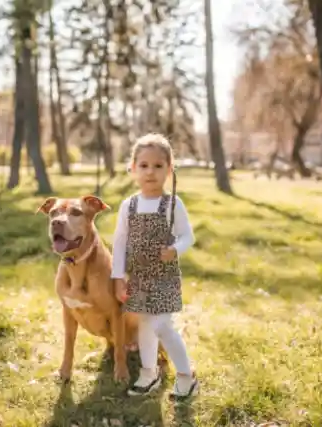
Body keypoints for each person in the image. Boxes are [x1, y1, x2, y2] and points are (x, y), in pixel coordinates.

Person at [111, 133, 199, 400]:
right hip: (138, 277)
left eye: (158, 166)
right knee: (145, 326)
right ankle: (149, 372)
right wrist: (118, 277)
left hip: (164, 277)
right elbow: (119, 241)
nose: (151, 172)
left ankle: (186, 376)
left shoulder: (172, 204)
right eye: (144, 165)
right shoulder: (129, 205)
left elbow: (188, 236)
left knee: (161, 326)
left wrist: (175, 249)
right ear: (133, 168)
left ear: (169, 169)